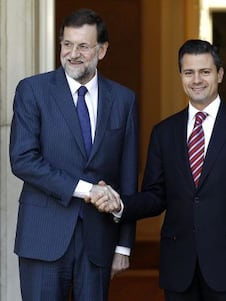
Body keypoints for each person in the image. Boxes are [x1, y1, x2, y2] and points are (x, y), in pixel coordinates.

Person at [90, 39, 226, 300]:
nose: (196, 79)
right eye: (189, 72)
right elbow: (155, 196)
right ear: (181, 76)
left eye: (205, 72)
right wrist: (119, 204)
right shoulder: (164, 132)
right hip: (179, 267)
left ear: (220, 74)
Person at [9, 8, 139, 301]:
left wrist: (124, 245)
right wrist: (87, 190)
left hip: (99, 241)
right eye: (67, 44)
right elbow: (23, 160)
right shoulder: (33, 91)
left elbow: (128, 173)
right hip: (43, 237)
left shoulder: (123, 100)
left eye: (83, 46)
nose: (73, 53)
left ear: (102, 50)